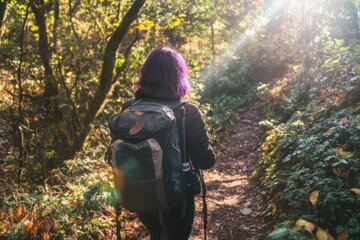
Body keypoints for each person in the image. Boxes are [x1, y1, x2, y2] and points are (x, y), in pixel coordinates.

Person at [121, 45, 215, 240]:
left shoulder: (130, 108)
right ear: (179, 75)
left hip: (138, 192)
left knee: (157, 235)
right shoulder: (187, 111)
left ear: (145, 74)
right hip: (177, 196)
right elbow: (204, 161)